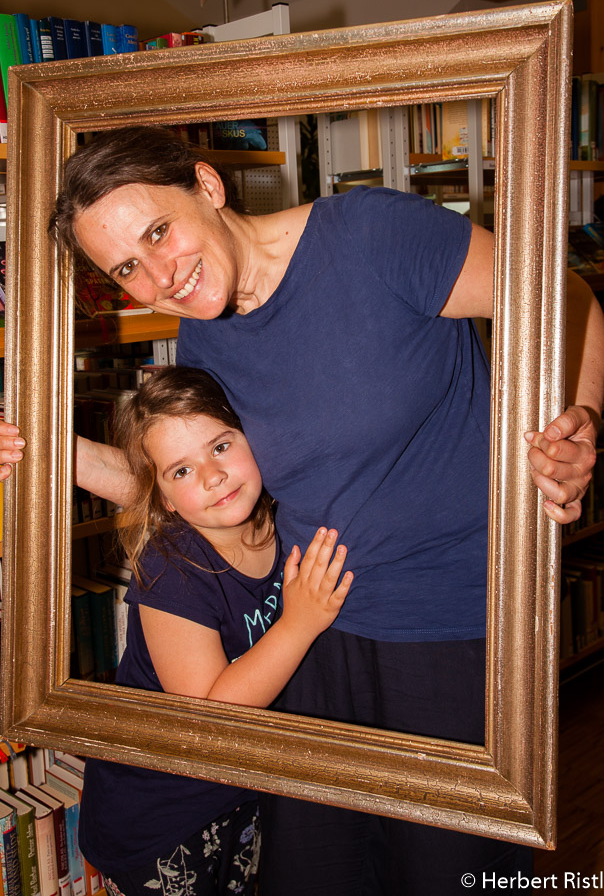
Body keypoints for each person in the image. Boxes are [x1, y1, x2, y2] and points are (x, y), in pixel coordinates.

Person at [1, 125, 602, 894]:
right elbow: (201, 494)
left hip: (454, 625)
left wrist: (579, 419)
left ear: (208, 188)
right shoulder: (203, 338)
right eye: (127, 268)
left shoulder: (371, 235)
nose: (160, 276)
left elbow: (564, 294)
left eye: (159, 231)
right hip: (310, 634)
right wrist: (44, 451)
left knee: (454, 873)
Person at [75, 364, 353, 896]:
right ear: (160, 498)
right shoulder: (171, 567)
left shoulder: (284, 523)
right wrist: (299, 624)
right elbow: (209, 720)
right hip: (159, 822)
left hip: (241, 800)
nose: (211, 476)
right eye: (180, 471)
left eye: (221, 446)